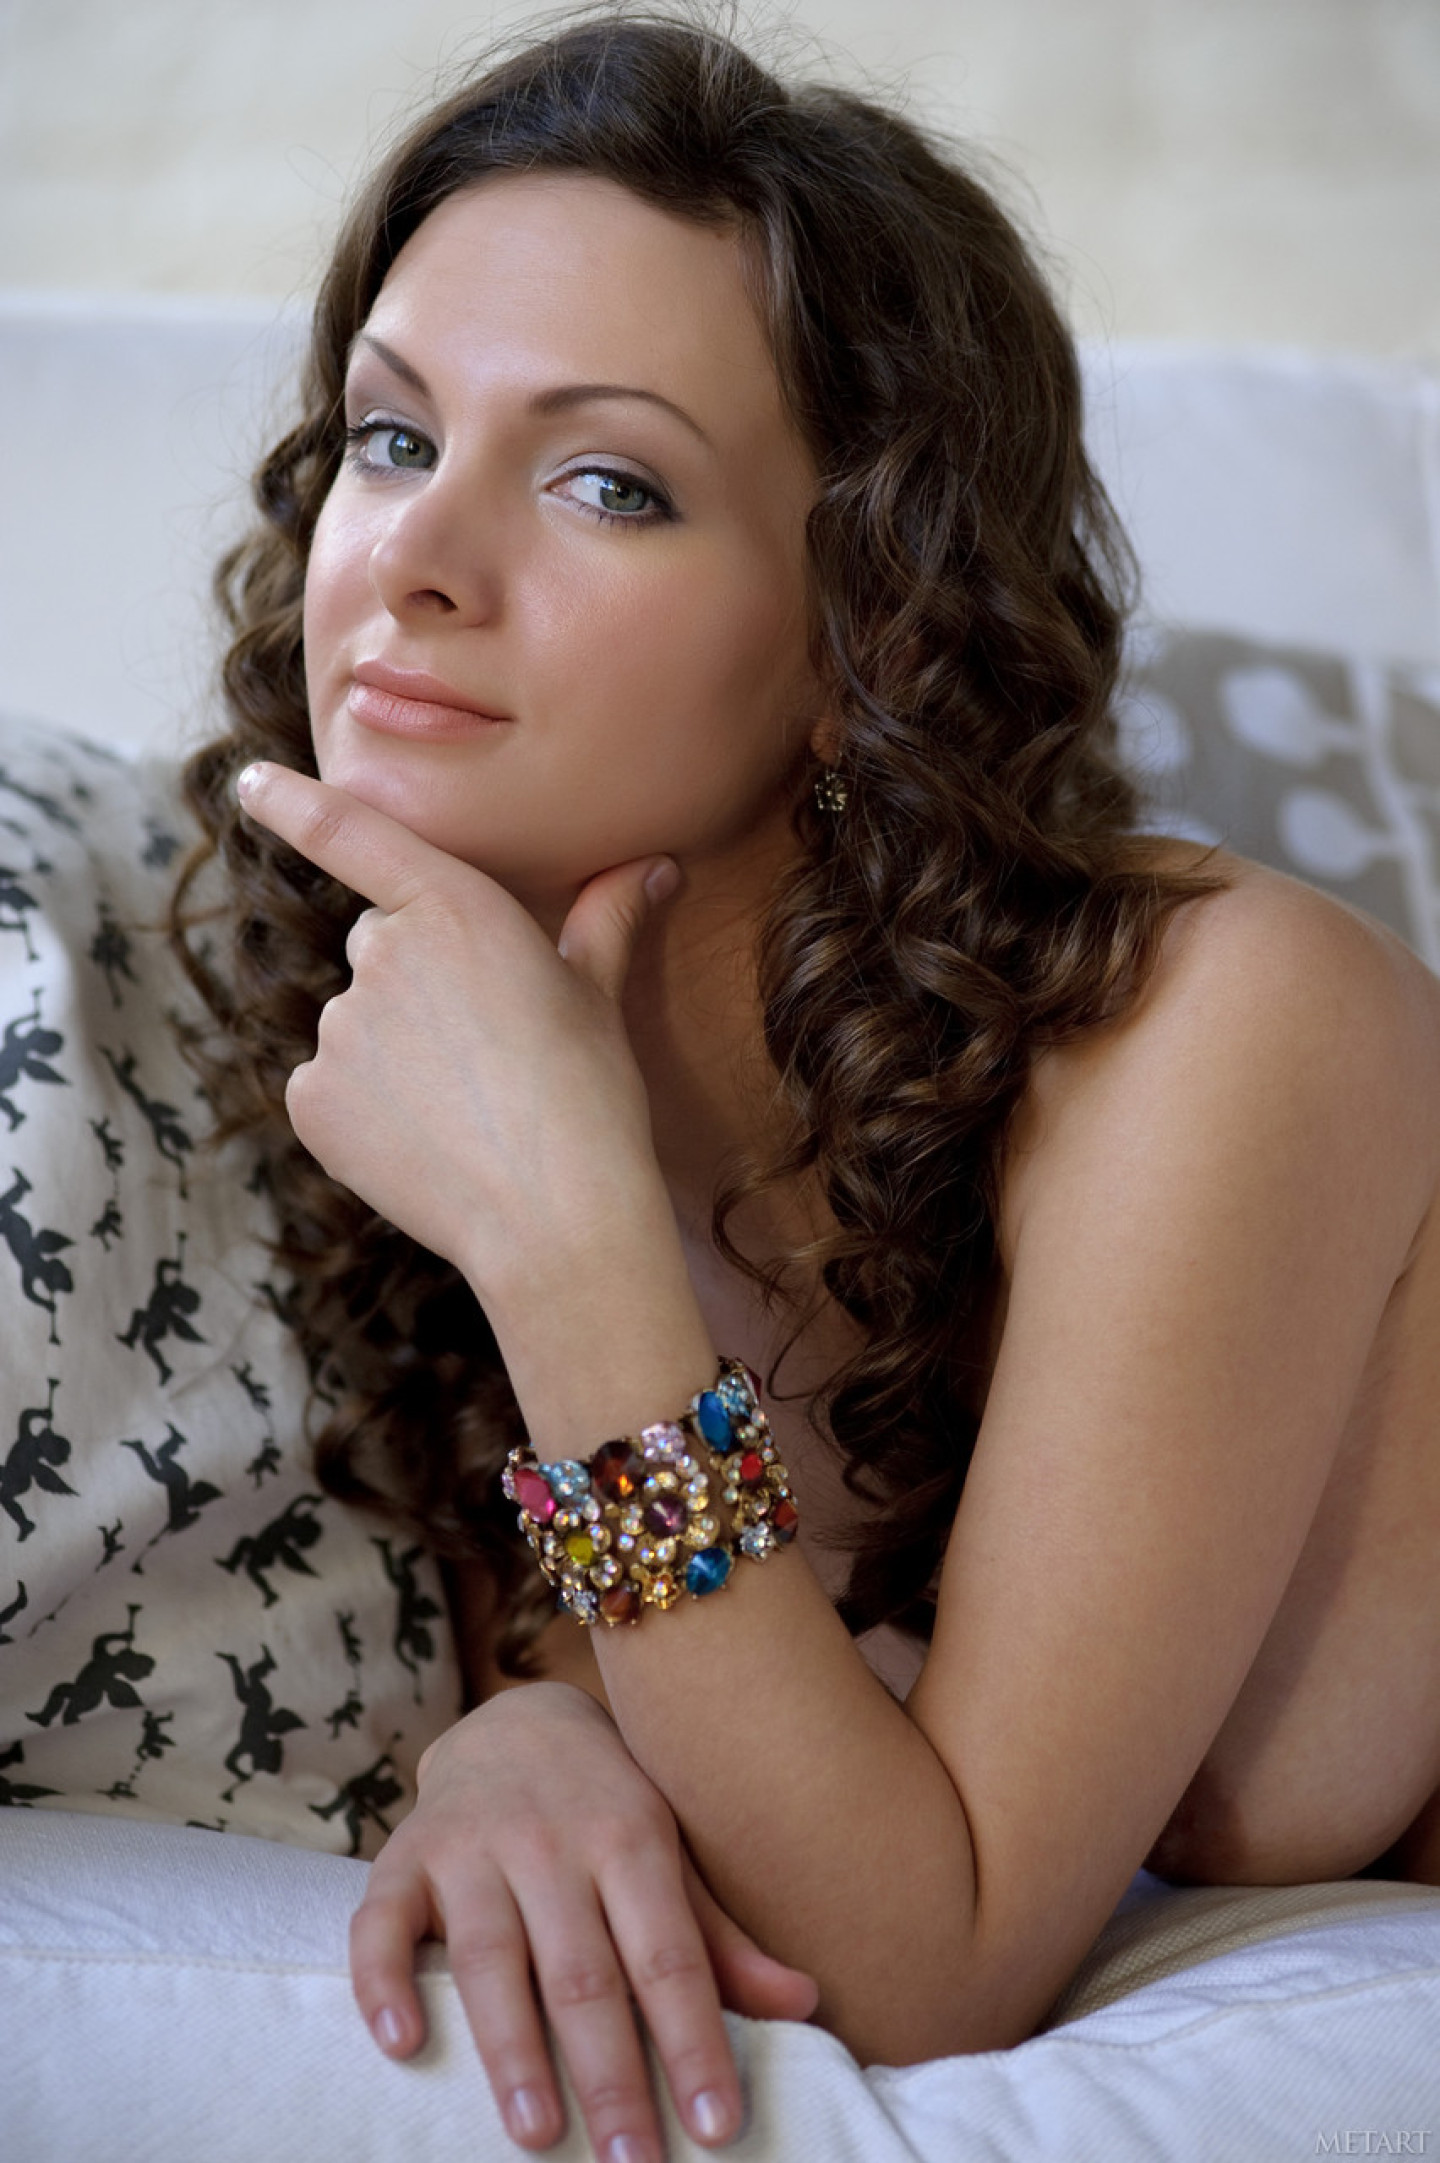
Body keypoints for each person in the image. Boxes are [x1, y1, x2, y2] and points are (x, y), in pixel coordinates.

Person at [146, 9, 1440, 2160]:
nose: (418, 557)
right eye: (391, 434)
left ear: (864, 638)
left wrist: (564, 1243)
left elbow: (929, 1963)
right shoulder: (430, 1051)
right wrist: (524, 1737)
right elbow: (672, 1664)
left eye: (609, 482)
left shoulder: (1223, 1021)